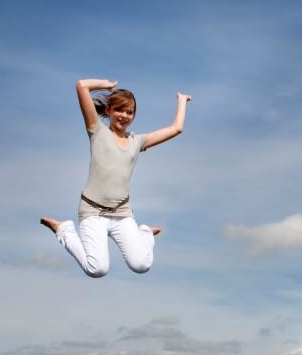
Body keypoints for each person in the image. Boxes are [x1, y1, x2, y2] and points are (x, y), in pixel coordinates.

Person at [40, 79, 191, 277]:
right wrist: (107, 86)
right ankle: (64, 230)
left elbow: (176, 129)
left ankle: (144, 233)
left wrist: (182, 100)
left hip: (122, 213)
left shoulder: (137, 142)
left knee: (141, 265)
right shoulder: (97, 130)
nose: (124, 116)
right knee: (97, 269)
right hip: (92, 211)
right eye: (120, 110)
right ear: (109, 110)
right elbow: (81, 86)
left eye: (129, 112)